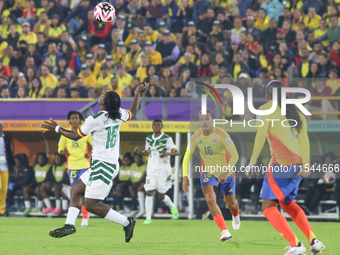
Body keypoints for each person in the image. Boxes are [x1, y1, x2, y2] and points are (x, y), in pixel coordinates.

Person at [40, 83, 150, 242]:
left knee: (91, 204)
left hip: (104, 166)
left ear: (104, 102)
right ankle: (69, 224)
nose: (101, 95)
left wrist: (57, 128)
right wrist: (137, 92)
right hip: (103, 163)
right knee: (76, 189)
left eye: (103, 95)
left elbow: (76, 135)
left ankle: (126, 222)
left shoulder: (95, 119)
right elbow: (133, 111)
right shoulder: (118, 113)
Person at [246, 80, 325, 255]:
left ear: (267, 96)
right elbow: (305, 140)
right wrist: (306, 164)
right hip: (297, 166)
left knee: (267, 207)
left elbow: (260, 136)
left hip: (281, 164)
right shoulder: (297, 111)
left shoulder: (266, 109)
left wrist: (252, 162)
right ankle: (314, 241)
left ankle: (296, 245)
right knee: (288, 203)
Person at [182, 110, 240, 242]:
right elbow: (186, 157)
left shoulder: (221, 134)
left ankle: (235, 214)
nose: (204, 122)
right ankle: (224, 231)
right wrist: (185, 176)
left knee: (231, 204)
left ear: (212, 120)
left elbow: (235, 154)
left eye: (206, 119)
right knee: (209, 198)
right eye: (201, 119)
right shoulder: (195, 137)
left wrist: (226, 171)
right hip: (208, 172)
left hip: (227, 172)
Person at [134, 119, 180, 224]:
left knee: (161, 195)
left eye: (158, 125)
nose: (156, 127)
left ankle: (172, 206)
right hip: (151, 170)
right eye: (154, 125)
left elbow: (176, 152)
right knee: (149, 191)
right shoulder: (149, 138)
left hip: (163, 170)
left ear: (161, 126)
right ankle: (148, 218)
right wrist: (140, 152)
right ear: (152, 127)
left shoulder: (167, 138)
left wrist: (167, 154)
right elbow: (147, 152)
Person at [58, 110, 92, 226]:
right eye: (72, 118)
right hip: (72, 166)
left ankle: (85, 217)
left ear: (80, 120)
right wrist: (63, 151)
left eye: (77, 118)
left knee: (84, 192)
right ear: (69, 121)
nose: (74, 120)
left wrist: (90, 154)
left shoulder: (86, 133)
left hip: (85, 165)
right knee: (76, 193)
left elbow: (96, 145)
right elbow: (60, 148)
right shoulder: (65, 134)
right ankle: (76, 217)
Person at [0, 120, 15, 216]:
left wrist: (13, 166)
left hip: (4, 165)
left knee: (4, 189)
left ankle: (1, 210)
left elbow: (9, 152)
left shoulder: (6, 138)